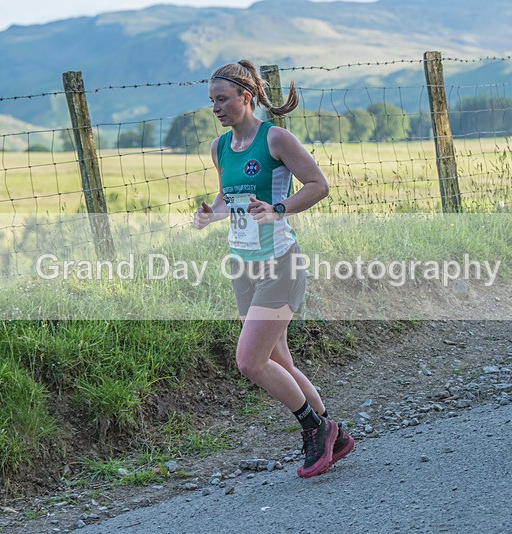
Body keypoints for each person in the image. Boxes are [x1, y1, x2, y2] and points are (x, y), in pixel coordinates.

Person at [193, 59, 354, 478]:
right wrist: (212, 213)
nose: (216, 107)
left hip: (280, 263)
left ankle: (314, 428)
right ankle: (334, 432)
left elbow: (319, 185)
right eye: (212, 101)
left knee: (249, 360)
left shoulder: (276, 138)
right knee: (278, 357)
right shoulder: (220, 147)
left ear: (246, 97)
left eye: (223, 99)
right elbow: (233, 197)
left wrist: (279, 208)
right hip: (242, 268)